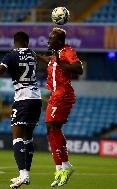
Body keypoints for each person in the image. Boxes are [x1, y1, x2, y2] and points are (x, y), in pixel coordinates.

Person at [0, 31, 42, 189]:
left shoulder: (12, 54)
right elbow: (21, 69)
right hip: (36, 98)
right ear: (27, 42)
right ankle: (25, 174)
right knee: (28, 138)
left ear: (15, 42)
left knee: (16, 138)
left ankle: (23, 174)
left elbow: (0, 70)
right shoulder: (32, 54)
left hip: (23, 99)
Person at [36, 27, 83, 187]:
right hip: (56, 94)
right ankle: (61, 167)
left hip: (63, 94)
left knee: (52, 127)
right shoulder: (55, 55)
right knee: (52, 130)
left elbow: (79, 68)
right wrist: (35, 56)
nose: (48, 41)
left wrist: (61, 63)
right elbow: (49, 61)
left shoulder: (67, 51)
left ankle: (65, 167)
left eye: (51, 38)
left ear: (60, 41)